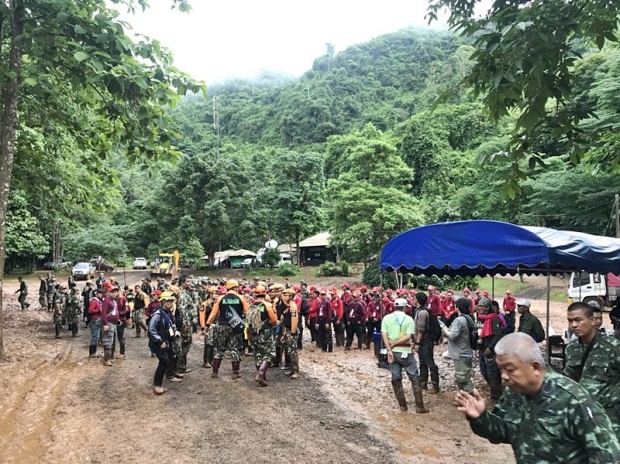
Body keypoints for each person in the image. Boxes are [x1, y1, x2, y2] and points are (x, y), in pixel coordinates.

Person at [456, 332, 620, 463]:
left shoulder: (573, 400)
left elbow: (607, 456)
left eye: (510, 369)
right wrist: (481, 417)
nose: (504, 377)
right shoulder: (514, 393)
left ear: (534, 367)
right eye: (501, 370)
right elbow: (503, 432)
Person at [563, 302, 620, 440]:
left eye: (578, 320)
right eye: (570, 321)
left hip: (608, 416)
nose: (574, 325)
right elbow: (569, 381)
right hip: (582, 415)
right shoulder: (571, 349)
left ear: (592, 320)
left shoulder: (613, 347)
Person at [382, 298, 428, 413]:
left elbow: (384, 334)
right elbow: (409, 336)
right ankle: (419, 407)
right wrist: (397, 343)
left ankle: (402, 406)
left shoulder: (386, 318)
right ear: (404, 307)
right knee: (414, 377)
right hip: (405, 352)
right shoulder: (409, 319)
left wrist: (389, 349)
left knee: (396, 377)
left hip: (391, 352)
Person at [205, 279, 249, 379]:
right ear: (236, 287)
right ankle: (235, 372)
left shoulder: (221, 298)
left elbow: (214, 313)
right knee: (235, 349)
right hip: (235, 327)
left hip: (222, 326)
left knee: (220, 349)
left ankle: (215, 372)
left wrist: (208, 324)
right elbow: (248, 312)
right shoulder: (241, 298)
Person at [439, 297, 475, 395]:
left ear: (457, 307)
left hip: (461, 353)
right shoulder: (469, 318)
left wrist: (443, 328)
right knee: (462, 377)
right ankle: (464, 398)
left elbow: (452, 336)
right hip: (466, 351)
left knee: (464, 379)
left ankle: (472, 400)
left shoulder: (459, 320)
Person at [148, 291, 180, 395]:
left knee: (171, 356)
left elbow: (171, 325)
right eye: (169, 301)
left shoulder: (169, 313)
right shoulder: (157, 314)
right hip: (159, 342)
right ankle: (157, 385)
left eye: (172, 301)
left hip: (167, 340)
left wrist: (175, 332)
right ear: (163, 302)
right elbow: (151, 330)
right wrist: (159, 341)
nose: (171, 303)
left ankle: (170, 375)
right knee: (163, 361)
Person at [247, 285, 278, 386]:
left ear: (255, 294)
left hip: (253, 333)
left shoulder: (251, 306)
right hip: (265, 332)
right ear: (265, 294)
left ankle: (262, 377)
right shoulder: (267, 305)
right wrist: (272, 326)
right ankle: (260, 374)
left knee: (258, 355)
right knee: (270, 354)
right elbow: (273, 320)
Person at [476, 298, 504, 400]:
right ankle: (495, 389)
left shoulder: (494, 319)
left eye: (482, 307)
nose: (480, 308)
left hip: (490, 350)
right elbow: (478, 331)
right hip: (481, 348)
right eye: (479, 306)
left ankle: (496, 395)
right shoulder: (480, 318)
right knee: (483, 371)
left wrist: (490, 347)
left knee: (492, 373)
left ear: (488, 308)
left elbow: (498, 335)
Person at [413, 292, 439, 393]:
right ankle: (423, 383)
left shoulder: (422, 313)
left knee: (429, 362)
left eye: (414, 298)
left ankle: (435, 386)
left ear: (417, 300)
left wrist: (417, 343)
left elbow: (421, 330)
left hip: (425, 341)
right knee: (422, 362)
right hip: (423, 341)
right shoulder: (419, 311)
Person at [176, 275, 197, 373]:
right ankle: (180, 367)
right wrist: (186, 324)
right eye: (188, 281)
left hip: (187, 323)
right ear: (182, 283)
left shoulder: (187, 293)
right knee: (185, 344)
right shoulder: (182, 295)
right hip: (185, 324)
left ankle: (181, 366)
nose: (190, 283)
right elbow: (182, 310)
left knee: (186, 344)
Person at [279, 288, 301, 378]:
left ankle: (296, 371)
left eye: (286, 295)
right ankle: (292, 369)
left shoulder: (293, 307)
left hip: (292, 331)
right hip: (287, 330)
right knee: (289, 351)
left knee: (292, 351)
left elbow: (294, 320)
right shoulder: (288, 307)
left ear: (291, 296)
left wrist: (292, 332)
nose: (284, 297)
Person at [101, 287, 120, 366]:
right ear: (109, 293)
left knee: (112, 341)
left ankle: (109, 358)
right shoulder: (106, 301)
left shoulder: (113, 301)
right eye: (113, 292)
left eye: (116, 292)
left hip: (114, 323)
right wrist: (105, 323)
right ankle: (106, 360)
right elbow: (104, 313)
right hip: (109, 323)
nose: (115, 293)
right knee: (108, 342)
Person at [88, 287, 104, 358]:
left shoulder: (98, 301)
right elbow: (90, 310)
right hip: (95, 320)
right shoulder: (94, 301)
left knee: (97, 337)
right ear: (96, 294)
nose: (101, 295)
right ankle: (92, 353)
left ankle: (94, 352)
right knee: (95, 337)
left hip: (98, 319)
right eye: (100, 293)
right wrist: (98, 310)